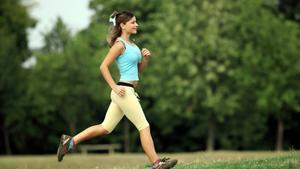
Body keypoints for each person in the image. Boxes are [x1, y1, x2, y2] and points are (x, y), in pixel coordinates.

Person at [56, 10, 177, 169]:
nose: (136, 24)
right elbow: (103, 66)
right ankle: (156, 164)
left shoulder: (133, 45)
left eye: (136, 21)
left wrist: (146, 58)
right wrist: (114, 86)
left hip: (128, 91)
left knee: (105, 128)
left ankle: (69, 142)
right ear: (122, 25)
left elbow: (138, 71)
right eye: (133, 22)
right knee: (144, 126)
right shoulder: (119, 45)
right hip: (123, 91)